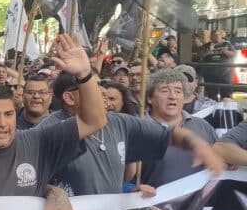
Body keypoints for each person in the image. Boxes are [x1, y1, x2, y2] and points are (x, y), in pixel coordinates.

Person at [0, 34, 107, 200]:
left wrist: (84, 74)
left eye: (8, 114)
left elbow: (94, 121)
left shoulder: (39, 141)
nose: (2, 123)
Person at [38, 72, 222, 197]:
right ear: (69, 98)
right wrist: (52, 193)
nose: (102, 92)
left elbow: (170, 135)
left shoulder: (119, 122)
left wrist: (198, 144)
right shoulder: (49, 129)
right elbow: (25, 178)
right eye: (93, 87)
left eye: (101, 85)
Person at [140, 69, 220, 187]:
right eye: (165, 91)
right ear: (149, 98)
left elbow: (218, 158)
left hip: (198, 203)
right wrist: (132, 188)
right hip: (152, 203)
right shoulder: (137, 130)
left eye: (178, 91)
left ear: (185, 98)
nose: (172, 96)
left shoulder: (203, 126)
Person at [201, 29, 235, 99]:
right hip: (210, 75)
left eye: (218, 35)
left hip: (225, 74)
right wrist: (209, 51)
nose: (217, 36)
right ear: (211, 37)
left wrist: (225, 51)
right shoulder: (207, 45)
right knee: (211, 97)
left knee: (226, 96)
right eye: (215, 35)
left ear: (221, 36)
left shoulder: (226, 44)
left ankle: (225, 109)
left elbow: (233, 54)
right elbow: (201, 56)